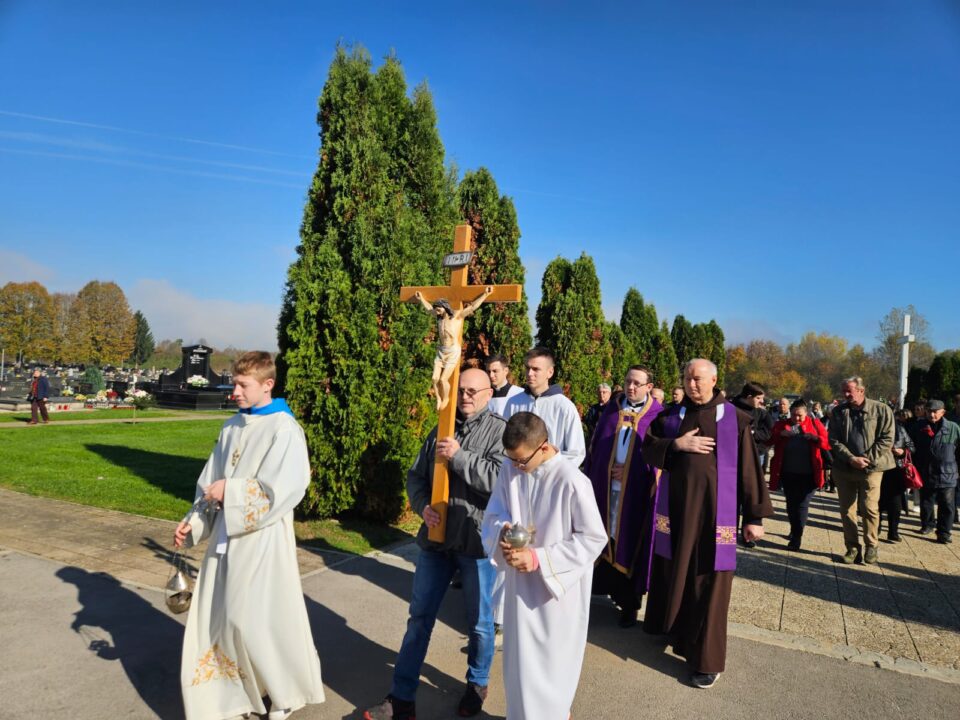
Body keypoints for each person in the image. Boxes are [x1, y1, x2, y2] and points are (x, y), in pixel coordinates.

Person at [173, 351, 324, 720]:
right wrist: (193, 523)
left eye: (243, 385)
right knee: (221, 617)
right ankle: (232, 693)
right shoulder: (231, 427)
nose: (234, 391)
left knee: (256, 618)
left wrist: (234, 492)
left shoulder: (284, 429)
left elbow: (284, 489)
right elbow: (210, 483)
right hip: (227, 534)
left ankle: (285, 693)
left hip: (263, 539)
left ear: (267, 384)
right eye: (235, 383)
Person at [364, 369, 505, 720]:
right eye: (461, 391)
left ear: (489, 393)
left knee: (480, 623)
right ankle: (401, 699)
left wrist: (458, 457)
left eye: (474, 391)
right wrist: (422, 506)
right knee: (419, 619)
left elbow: (499, 480)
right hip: (435, 543)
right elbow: (416, 476)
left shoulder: (500, 431)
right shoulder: (441, 427)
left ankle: (477, 683)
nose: (466, 397)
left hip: (475, 543)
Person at [641, 359, 772, 689]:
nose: (691, 383)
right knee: (676, 576)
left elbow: (748, 471)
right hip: (677, 516)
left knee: (709, 586)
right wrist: (677, 445)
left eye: (698, 378)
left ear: (714, 380)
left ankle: (707, 660)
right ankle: (679, 635)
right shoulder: (672, 416)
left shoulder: (734, 419)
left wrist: (754, 516)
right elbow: (648, 448)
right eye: (687, 378)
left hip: (716, 520)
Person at [481, 412, 606, 720]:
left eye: (522, 460)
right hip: (519, 588)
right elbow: (494, 513)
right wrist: (504, 533)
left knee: (551, 670)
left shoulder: (573, 480)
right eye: (511, 460)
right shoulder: (511, 470)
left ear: (544, 447)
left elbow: (593, 538)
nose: (516, 466)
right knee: (519, 666)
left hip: (556, 594)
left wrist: (538, 558)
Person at [585, 366, 662, 627]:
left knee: (629, 541)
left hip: (634, 496)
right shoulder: (612, 410)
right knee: (601, 536)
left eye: (638, 384)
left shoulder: (657, 416)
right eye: (628, 381)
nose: (631, 387)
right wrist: (606, 470)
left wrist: (629, 472)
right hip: (604, 490)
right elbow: (597, 446)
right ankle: (593, 593)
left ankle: (628, 604)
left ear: (649, 387)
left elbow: (657, 460)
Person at [828, 376, 895, 565]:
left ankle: (871, 545)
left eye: (849, 390)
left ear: (861, 390)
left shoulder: (881, 409)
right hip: (845, 467)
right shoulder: (839, 412)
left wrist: (866, 459)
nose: (846, 394)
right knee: (847, 510)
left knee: (869, 508)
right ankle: (852, 548)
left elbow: (887, 438)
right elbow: (833, 440)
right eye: (844, 391)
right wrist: (851, 458)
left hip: (872, 468)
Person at [412, 287, 493, 411]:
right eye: (436, 309)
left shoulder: (457, 316)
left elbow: (472, 308)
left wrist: (485, 295)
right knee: (434, 378)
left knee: (443, 379)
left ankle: (446, 398)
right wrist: (421, 298)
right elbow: (428, 308)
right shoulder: (438, 317)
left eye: (438, 308)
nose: (436, 311)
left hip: (452, 351)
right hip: (441, 350)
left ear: (444, 307)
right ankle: (439, 397)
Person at [502, 347, 586, 466]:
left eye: (536, 369)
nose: (530, 373)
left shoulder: (564, 406)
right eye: (527, 368)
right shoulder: (513, 402)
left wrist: (549, 470)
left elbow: (576, 453)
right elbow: (504, 443)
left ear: (550, 372)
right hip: (519, 477)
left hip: (552, 479)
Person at [768, 399, 830, 550]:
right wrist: (780, 434)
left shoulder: (815, 424)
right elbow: (769, 441)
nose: (796, 419)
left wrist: (815, 438)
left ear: (806, 413)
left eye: (800, 416)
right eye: (794, 415)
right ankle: (794, 528)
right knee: (791, 504)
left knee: (802, 504)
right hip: (788, 473)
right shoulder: (782, 424)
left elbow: (827, 444)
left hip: (809, 474)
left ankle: (797, 536)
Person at [914, 399, 959, 544]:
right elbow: (912, 445)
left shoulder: (953, 428)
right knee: (926, 501)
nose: (932, 415)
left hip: (948, 472)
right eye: (929, 411)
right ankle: (927, 525)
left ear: (943, 412)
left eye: (935, 412)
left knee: (947, 503)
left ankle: (944, 533)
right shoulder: (919, 426)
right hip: (926, 470)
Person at [880, 409, 915, 542]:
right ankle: (875, 527)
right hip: (877, 469)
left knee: (895, 504)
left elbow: (912, 446)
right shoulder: (872, 428)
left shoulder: (900, 429)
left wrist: (902, 451)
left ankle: (893, 531)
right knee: (876, 502)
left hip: (896, 470)